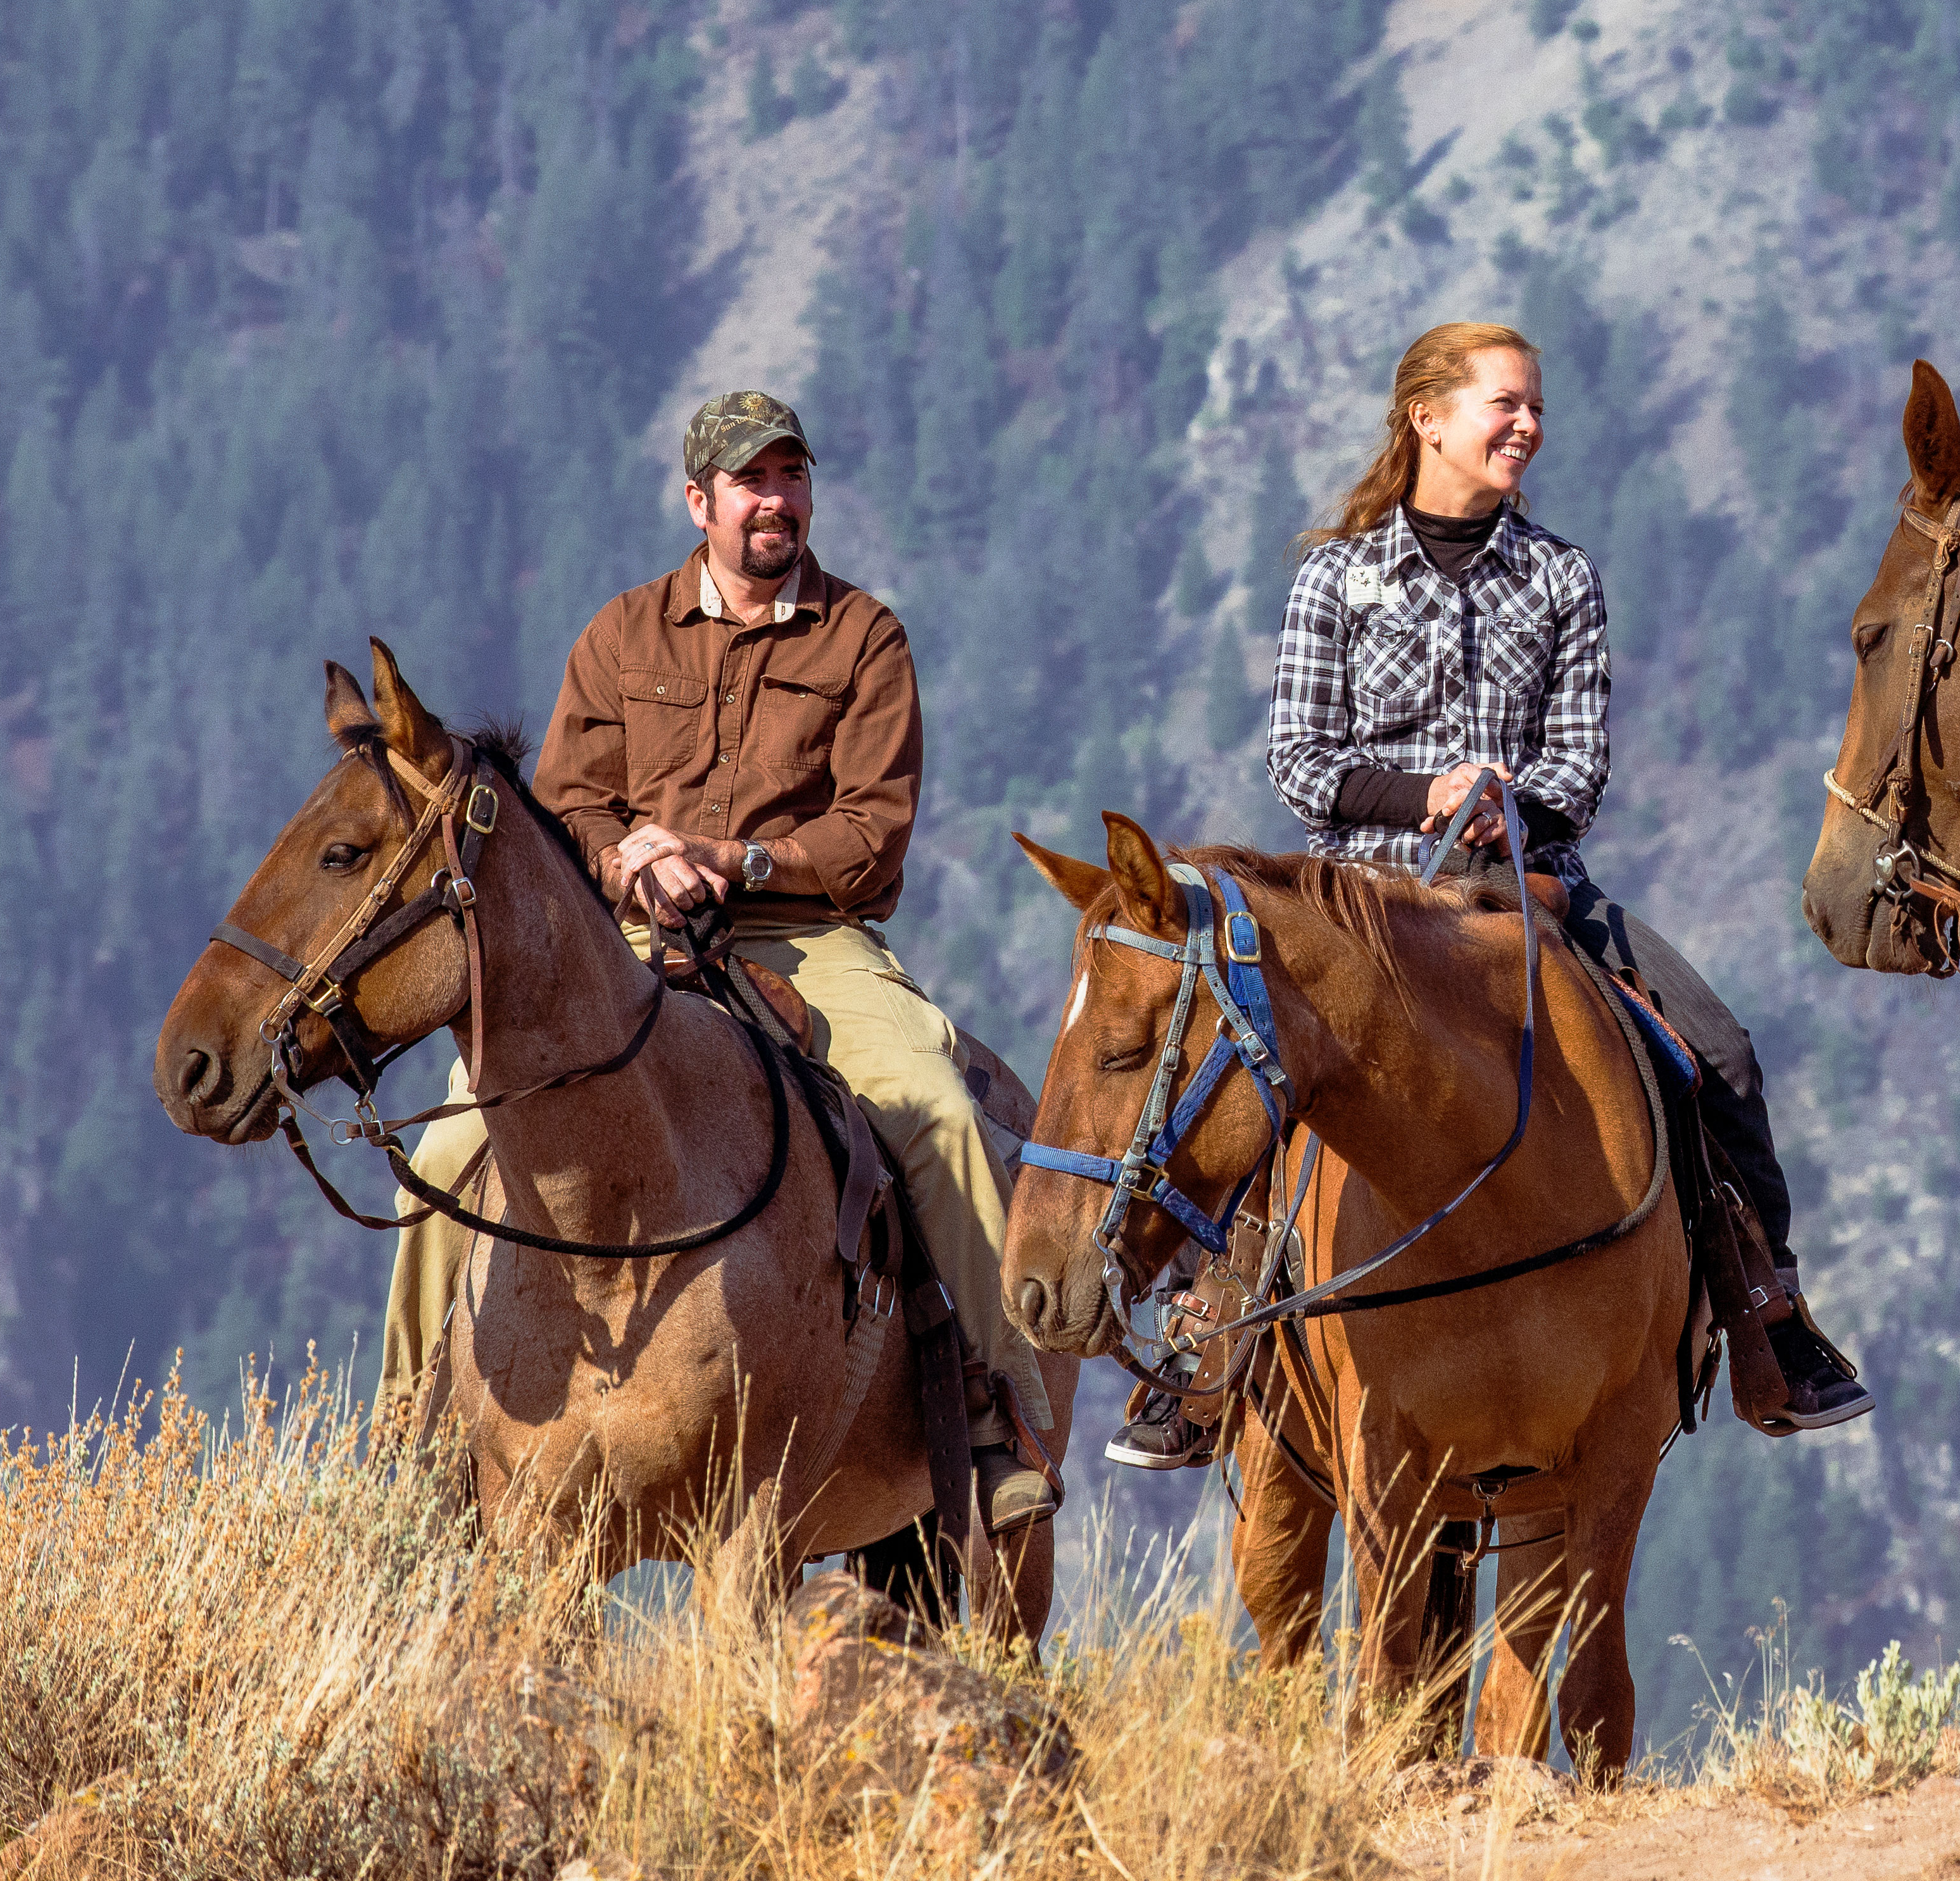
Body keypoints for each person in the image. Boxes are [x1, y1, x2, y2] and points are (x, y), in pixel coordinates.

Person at [1102, 320, 1871, 1463]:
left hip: (1527, 885)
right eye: (1505, 404)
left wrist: (1511, 805)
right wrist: (1429, 794)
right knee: (1251, 1058)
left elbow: (1579, 766)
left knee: (1718, 1053)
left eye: (1535, 407)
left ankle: (1769, 1315)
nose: (1528, 425)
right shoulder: (1337, 576)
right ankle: (1209, 1332)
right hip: (1363, 896)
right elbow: (1301, 762)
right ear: (1428, 418)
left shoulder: (1563, 577)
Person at [377, 389, 1064, 1534]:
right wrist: (628, 860)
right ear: (700, 501)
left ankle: (1004, 1417)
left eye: (792, 477)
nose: (776, 501)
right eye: (751, 481)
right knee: (448, 1148)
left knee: (941, 1113)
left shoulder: (865, 638)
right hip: (628, 938)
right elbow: (566, 809)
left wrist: (731, 858)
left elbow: (872, 831)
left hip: (804, 934)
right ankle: (406, 1439)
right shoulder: (621, 634)